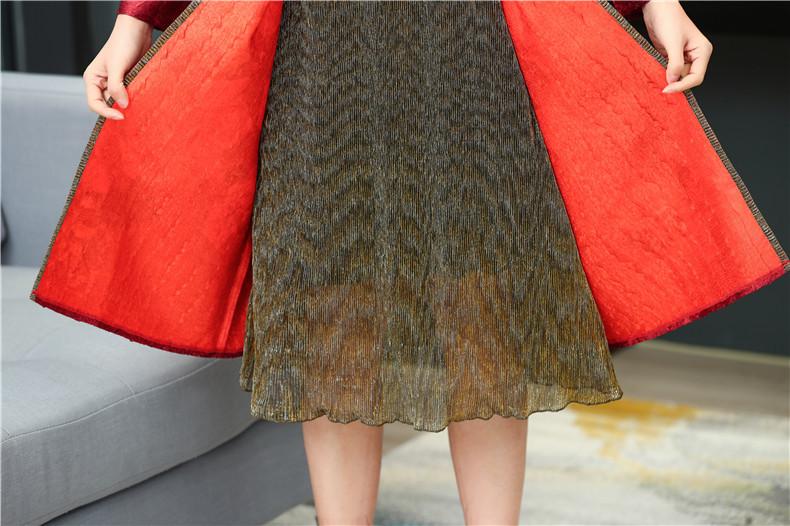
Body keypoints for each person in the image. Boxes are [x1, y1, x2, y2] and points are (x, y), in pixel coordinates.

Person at [30, 1, 787, 525]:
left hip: (473, 34)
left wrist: (656, 3)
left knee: (486, 289)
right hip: (318, 43)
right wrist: (135, 20)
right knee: (331, 295)